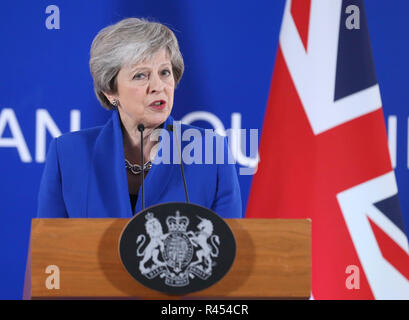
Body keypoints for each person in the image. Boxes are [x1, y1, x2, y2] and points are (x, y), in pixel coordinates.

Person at [37, 18, 242, 218]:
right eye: (140, 75)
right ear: (111, 91)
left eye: (164, 72)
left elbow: (228, 246)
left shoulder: (211, 152)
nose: (158, 86)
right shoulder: (67, 154)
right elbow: (48, 247)